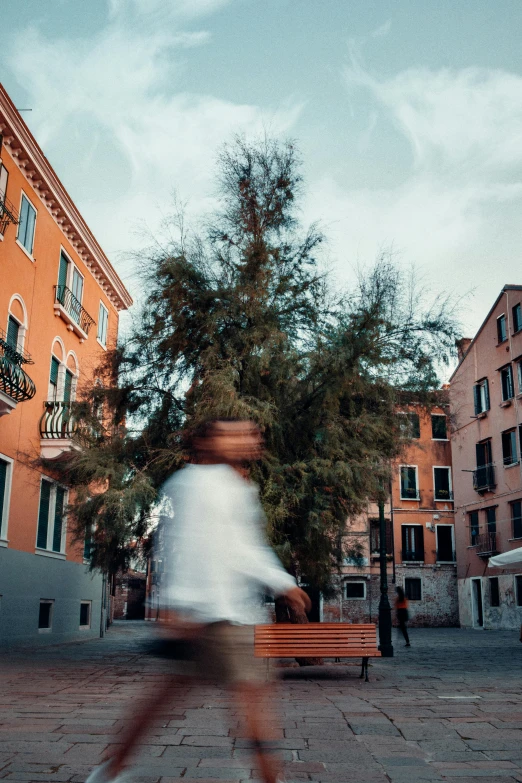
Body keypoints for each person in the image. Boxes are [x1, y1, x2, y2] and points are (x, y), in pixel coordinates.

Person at [86, 419, 311, 783]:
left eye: (247, 434)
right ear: (207, 442)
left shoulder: (238, 487)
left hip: (230, 613)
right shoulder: (188, 484)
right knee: (227, 700)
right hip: (205, 614)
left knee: (176, 698)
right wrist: (177, 606)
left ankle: (109, 770)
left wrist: (283, 582)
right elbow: (182, 546)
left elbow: (245, 548)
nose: (246, 439)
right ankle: (110, 769)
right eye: (233, 433)